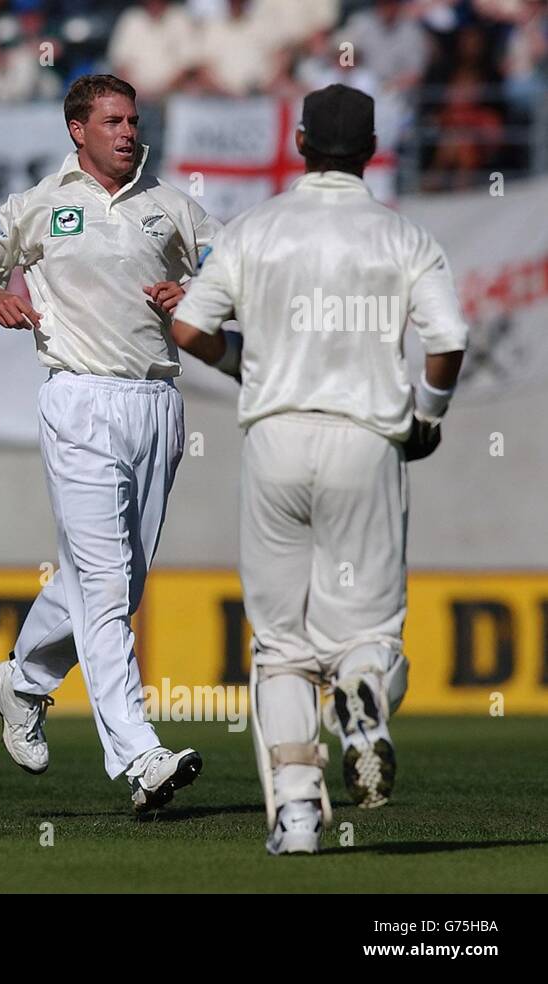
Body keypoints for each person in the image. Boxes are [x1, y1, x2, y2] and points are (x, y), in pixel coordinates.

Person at [170, 84, 469, 855]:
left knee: (280, 647)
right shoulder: (402, 237)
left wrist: (249, 368)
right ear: (371, 151)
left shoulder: (254, 229)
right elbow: (447, 342)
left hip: (274, 438)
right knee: (367, 631)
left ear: (301, 142)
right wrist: (428, 415)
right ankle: (363, 700)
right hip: (366, 439)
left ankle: (299, 815)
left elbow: (189, 326)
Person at [0, 75, 219, 814]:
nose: (129, 131)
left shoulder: (171, 206)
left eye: (134, 119)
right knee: (102, 588)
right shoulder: (39, 206)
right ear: (77, 130)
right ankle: (138, 754)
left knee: (115, 584)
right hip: (80, 400)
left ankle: (21, 681)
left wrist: (198, 298)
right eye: (113, 121)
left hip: (158, 403)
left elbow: (233, 278)